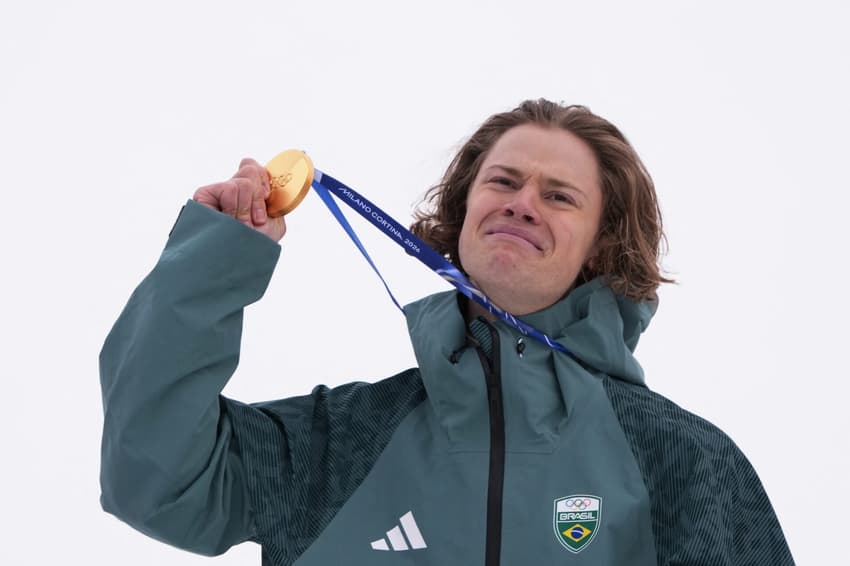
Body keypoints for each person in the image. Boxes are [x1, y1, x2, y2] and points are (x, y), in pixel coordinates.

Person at [99, 99, 794, 565]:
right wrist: (213, 260)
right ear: (462, 214)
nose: (522, 204)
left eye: (558, 196)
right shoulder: (342, 443)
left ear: (602, 246)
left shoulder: (684, 462)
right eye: (503, 183)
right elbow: (154, 479)